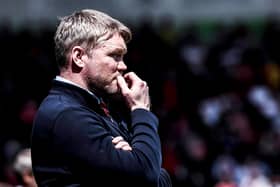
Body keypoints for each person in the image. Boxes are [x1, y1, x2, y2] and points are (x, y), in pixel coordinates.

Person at [31, 9, 172, 187]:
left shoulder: (96, 107)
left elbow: (156, 177)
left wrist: (142, 165)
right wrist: (141, 110)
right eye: (115, 56)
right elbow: (147, 175)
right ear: (79, 57)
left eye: (122, 57)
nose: (123, 65)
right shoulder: (67, 114)